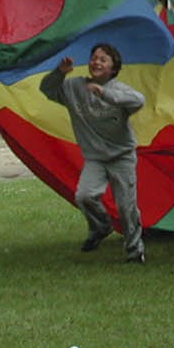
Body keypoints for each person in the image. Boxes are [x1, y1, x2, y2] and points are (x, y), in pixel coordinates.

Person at [39, 43, 147, 263]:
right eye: (94, 58)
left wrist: (104, 93)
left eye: (103, 59)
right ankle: (101, 226)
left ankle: (135, 250)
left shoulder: (119, 90)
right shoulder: (74, 87)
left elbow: (139, 100)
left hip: (121, 157)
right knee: (85, 196)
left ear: (113, 68)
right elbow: (47, 89)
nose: (96, 62)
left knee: (126, 207)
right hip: (95, 158)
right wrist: (59, 73)